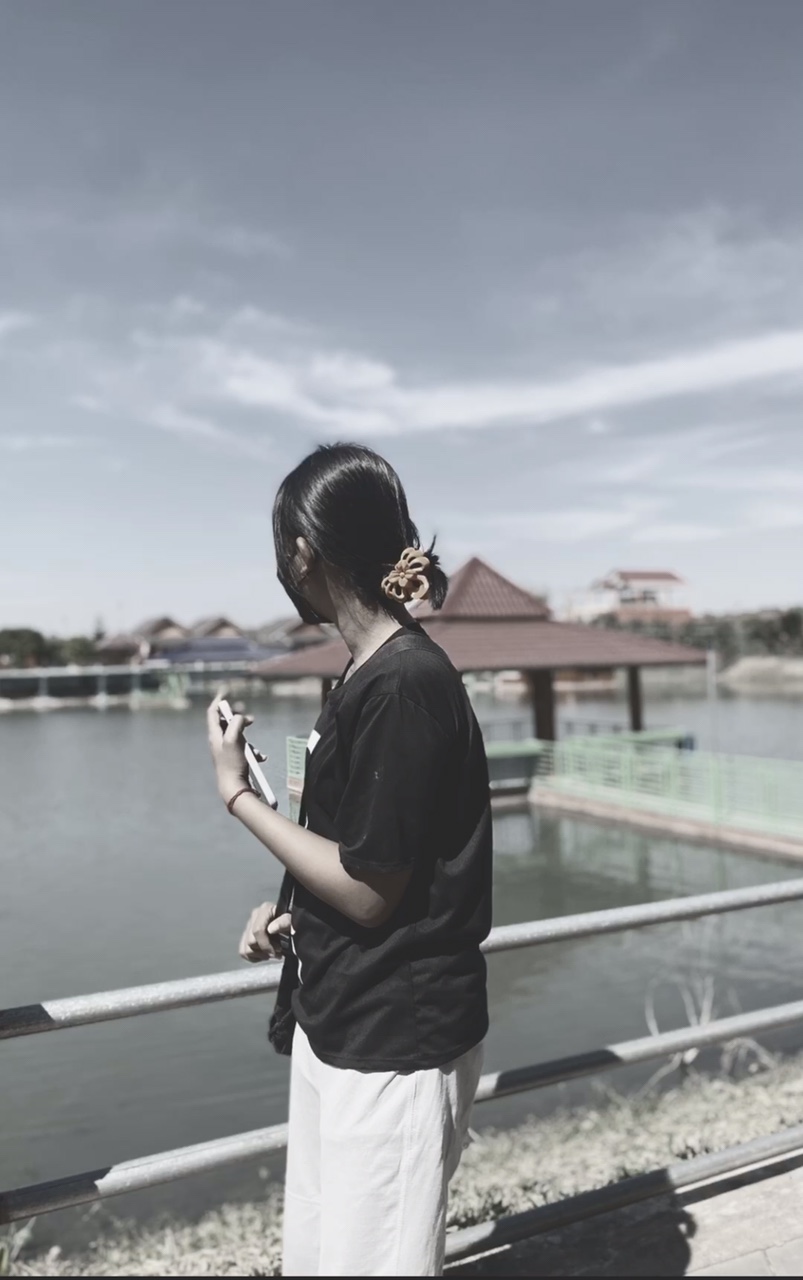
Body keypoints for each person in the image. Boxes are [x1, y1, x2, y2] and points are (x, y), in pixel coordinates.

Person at [206, 443, 492, 1277]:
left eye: (280, 550)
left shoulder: (404, 683)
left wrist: (238, 794)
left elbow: (370, 892)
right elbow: (367, 853)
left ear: (302, 552)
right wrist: (291, 912)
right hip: (340, 1014)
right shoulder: (365, 670)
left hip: (394, 1034)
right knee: (322, 1255)